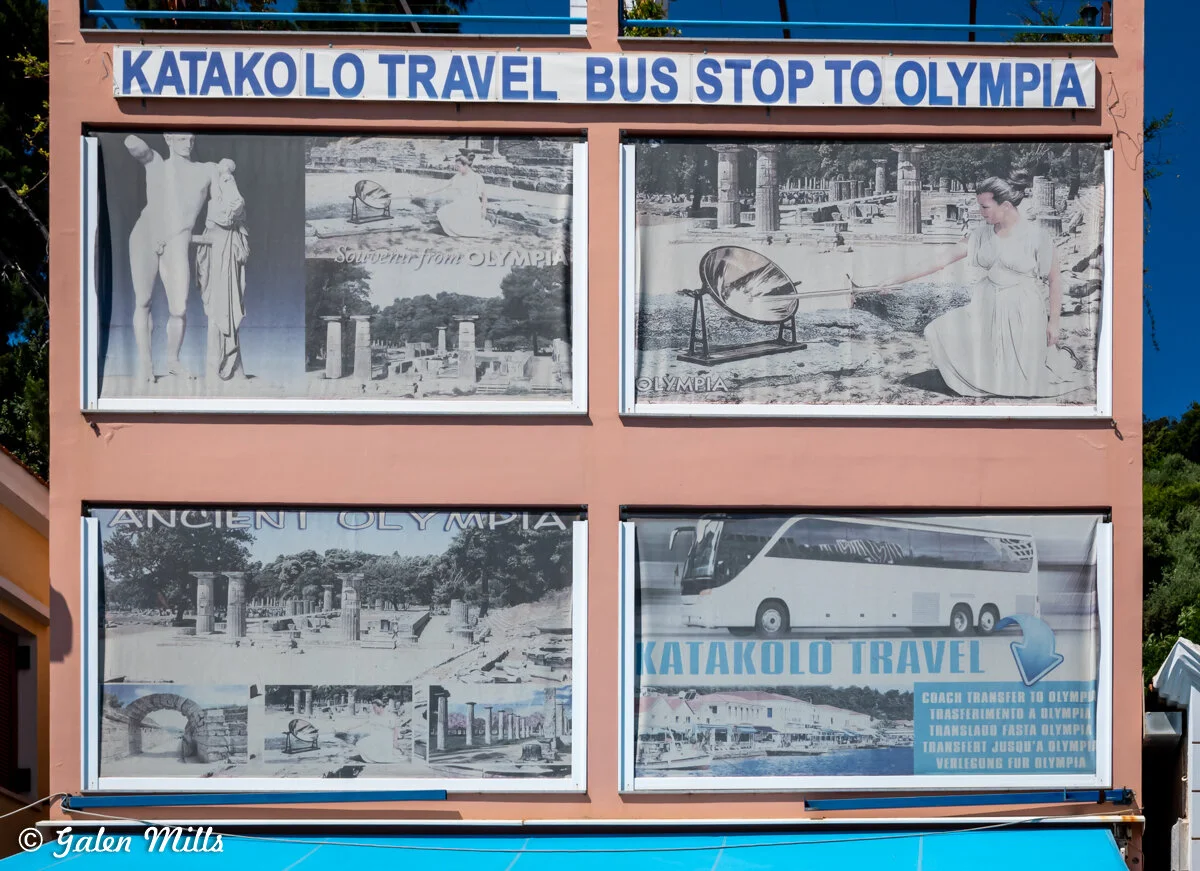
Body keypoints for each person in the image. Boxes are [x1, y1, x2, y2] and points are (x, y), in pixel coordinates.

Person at [868, 174, 1084, 398]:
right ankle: (979, 380)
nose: (981, 212)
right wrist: (896, 279)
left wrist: (1054, 324)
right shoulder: (980, 235)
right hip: (985, 304)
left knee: (1021, 382)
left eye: (985, 207)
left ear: (1006, 205)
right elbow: (940, 259)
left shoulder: (1037, 237)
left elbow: (1054, 280)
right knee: (936, 330)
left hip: (1022, 309)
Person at [124, 133, 232, 384]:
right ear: (169, 140)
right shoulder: (157, 163)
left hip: (178, 237)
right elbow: (138, 150)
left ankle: (172, 361)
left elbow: (223, 202)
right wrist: (132, 141)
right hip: (146, 233)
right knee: (143, 301)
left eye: (191, 139)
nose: (188, 144)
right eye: (181, 139)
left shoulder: (206, 170)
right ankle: (146, 365)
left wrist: (226, 169)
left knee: (179, 308)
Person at [194, 159, 250, 381]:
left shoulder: (231, 197)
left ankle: (229, 365)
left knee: (225, 310)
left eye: (227, 177)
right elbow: (210, 235)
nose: (224, 180)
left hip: (226, 266)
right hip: (217, 265)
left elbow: (235, 208)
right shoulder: (216, 202)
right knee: (217, 311)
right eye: (222, 177)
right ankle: (217, 366)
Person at [428, 153, 493, 238]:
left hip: (472, 204)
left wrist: (483, 209)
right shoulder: (458, 176)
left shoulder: (476, 177)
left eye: (458, 166)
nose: (457, 169)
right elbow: (445, 184)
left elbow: (484, 194)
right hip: (460, 202)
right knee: (442, 211)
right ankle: (453, 229)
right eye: (456, 166)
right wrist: (429, 191)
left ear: (465, 165)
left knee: (466, 224)